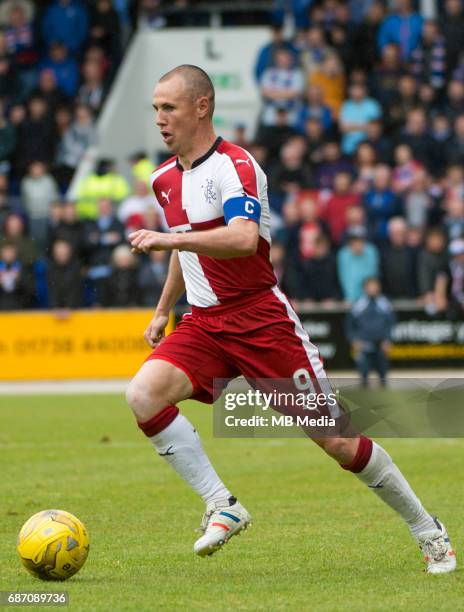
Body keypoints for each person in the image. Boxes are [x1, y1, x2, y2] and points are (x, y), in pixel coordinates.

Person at [125, 64, 456, 572]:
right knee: (143, 395)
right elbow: (185, 248)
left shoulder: (236, 167)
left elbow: (240, 239)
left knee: (338, 440)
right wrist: (164, 308)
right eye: (155, 109)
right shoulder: (163, 179)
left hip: (260, 321)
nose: (159, 120)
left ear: (201, 106)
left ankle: (427, 529)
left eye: (168, 108)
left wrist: (171, 238)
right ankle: (222, 504)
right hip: (205, 323)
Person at [346, 277, 395, 387]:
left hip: (381, 343)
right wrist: (354, 340)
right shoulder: (359, 305)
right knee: (363, 371)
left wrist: (388, 339)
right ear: (364, 288)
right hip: (364, 343)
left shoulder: (384, 303)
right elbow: (350, 325)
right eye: (370, 286)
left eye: (375, 286)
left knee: (383, 375)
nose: (373, 289)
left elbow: (391, 323)